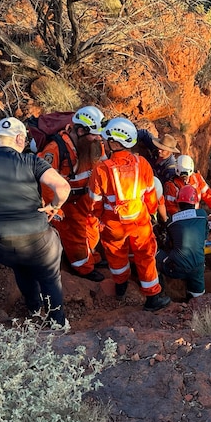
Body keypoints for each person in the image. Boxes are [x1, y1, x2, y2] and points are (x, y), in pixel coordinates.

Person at [0, 117, 71, 327]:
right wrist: (54, 206)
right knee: (49, 276)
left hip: (1, 244)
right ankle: (57, 323)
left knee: (21, 269)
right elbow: (63, 188)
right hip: (37, 240)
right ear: (20, 138)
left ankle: (33, 308)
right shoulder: (32, 162)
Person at [87, 117, 171, 311]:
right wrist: (149, 214)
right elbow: (151, 197)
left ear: (114, 142)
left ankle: (121, 286)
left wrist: (100, 218)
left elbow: (94, 201)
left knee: (116, 255)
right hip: (139, 222)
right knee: (145, 255)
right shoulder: (142, 164)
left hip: (113, 224)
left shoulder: (100, 170)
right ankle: (152, 297)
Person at [37, 105, 106, 280]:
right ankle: (83, 268)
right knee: (74, 234)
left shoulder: (94, 144)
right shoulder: (55, 150)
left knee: (92, 227)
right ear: (81, 130)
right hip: (66, 203)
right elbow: (46, 183)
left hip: (87, 198)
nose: (98, 137)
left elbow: (104, 167)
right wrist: (55, 208)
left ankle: (93, 258)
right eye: (94, 134)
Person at [156, 185, 208, 301]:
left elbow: (168, 244)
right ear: (195, 202)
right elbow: (204, 237)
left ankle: (159, 294)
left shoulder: (171, 221)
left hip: (177, 269)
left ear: (178, 203)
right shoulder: (203, 215)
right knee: (198, 297)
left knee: (155, 253)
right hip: (198, 266)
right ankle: (194, 297)